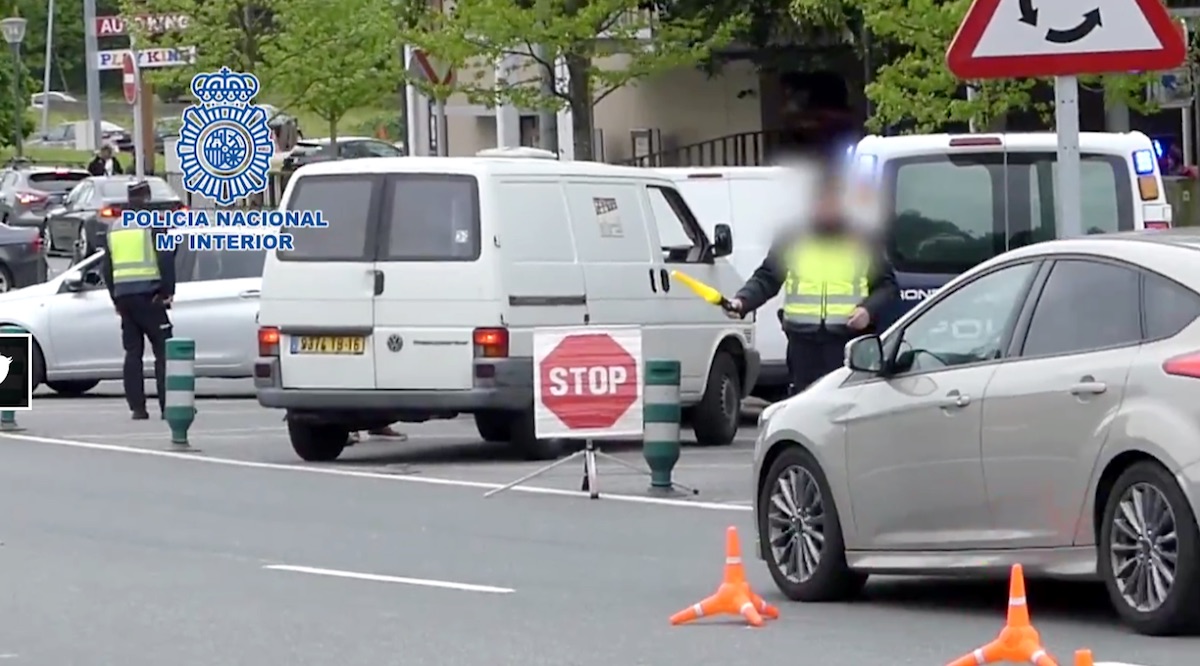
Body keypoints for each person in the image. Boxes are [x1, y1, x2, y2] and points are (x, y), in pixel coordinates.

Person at [727, 170, 897, 395]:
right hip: (802, 344)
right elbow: (768, 277)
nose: (826, 206)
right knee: (804, 406)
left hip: (845, 343)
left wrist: (867, 310)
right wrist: (742, 301)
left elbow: (887, 286)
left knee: (843, 405)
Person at [100, 180, 175, 420]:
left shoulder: (116, 227)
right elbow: (165, 259)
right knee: (164, 351)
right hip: (150, 295)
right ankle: (168, 406)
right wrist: (167, 290)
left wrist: (115, 298)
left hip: (125, 298)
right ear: (148, 197)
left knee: (133, 353)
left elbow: (107, 267)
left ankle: (138, 408)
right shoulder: (153, 224)